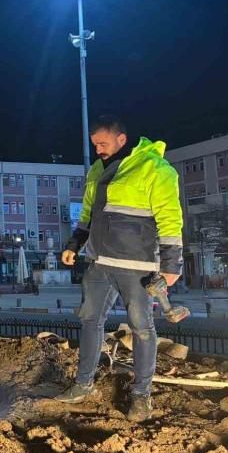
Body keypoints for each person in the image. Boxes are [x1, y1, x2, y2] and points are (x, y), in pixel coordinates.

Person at [55, 116, 183, 421]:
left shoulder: (156, 168)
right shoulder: (97, 170)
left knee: (142, 329)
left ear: (121, 139)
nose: (98, 149)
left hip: (137, 266)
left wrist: (171, 264)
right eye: (95, 144)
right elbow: (89, 213)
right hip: (99, 263)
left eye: (103, 143)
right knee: (90, 321)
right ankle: (83, 384)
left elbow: (170, 217)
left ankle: (141, 397)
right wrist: (75, 243)